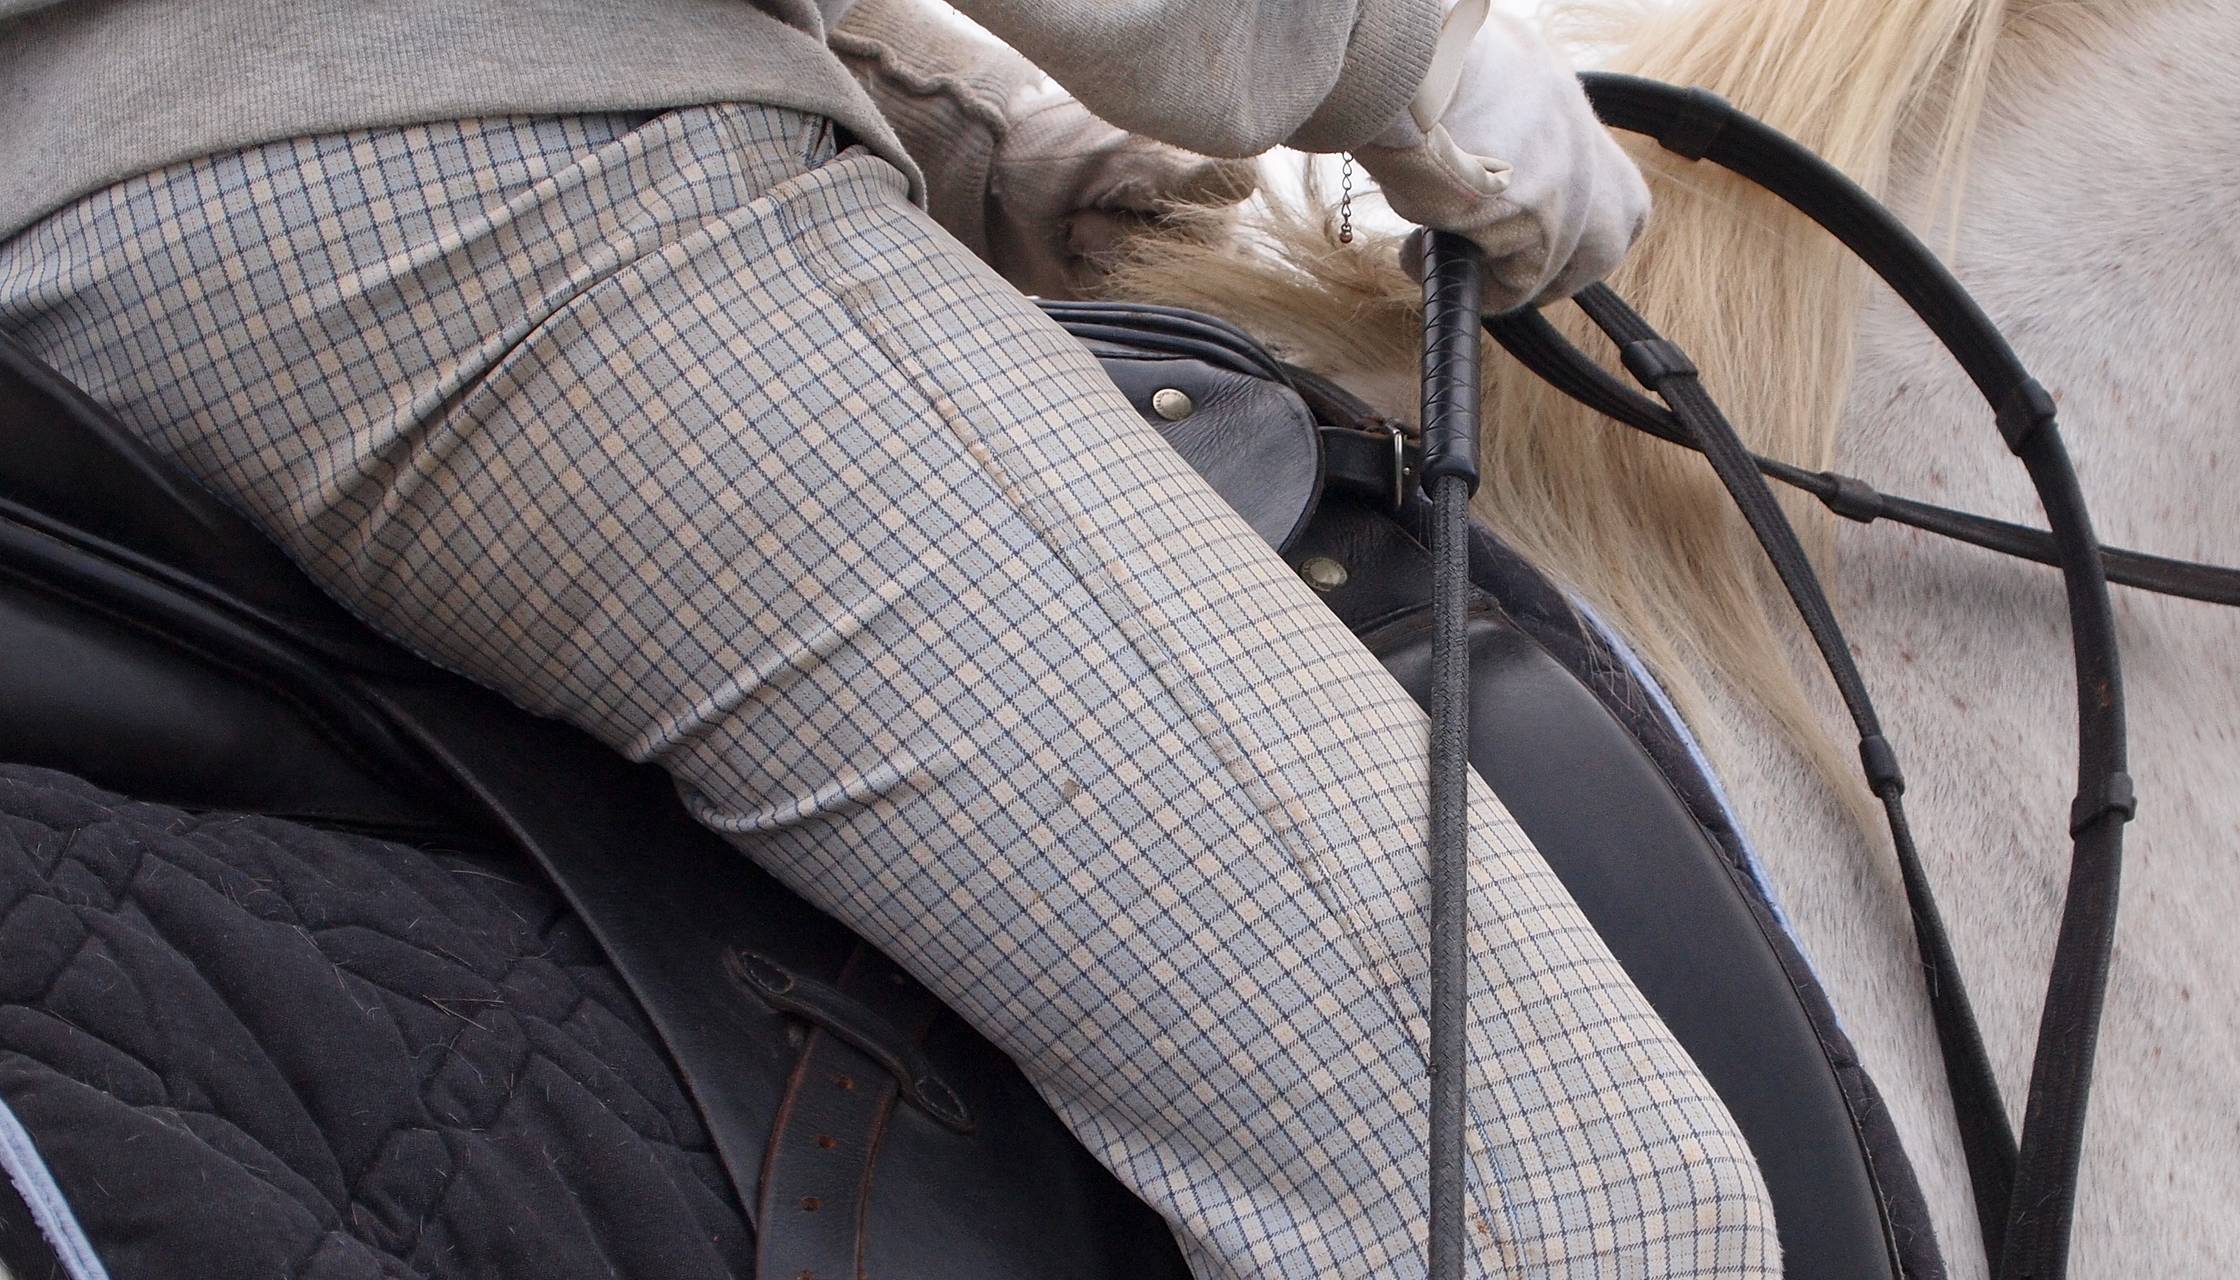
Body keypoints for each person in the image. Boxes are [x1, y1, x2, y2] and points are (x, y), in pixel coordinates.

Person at [0, 0, 1779, 1275]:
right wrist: (1415, 60)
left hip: (130, 206)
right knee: (1582, 1206)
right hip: (479, 189)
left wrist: (994, 136)